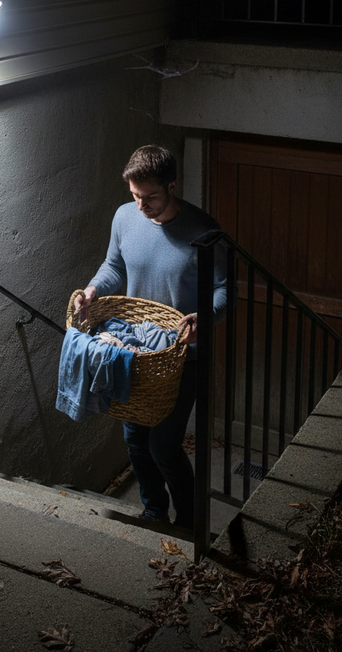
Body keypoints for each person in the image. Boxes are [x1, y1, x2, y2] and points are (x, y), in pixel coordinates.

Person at [74, 145, 228, 530]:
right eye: (135, 196)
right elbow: (113, 266)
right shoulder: (125, 218)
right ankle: (154, 510)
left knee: (163, 446)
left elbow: (225, 288)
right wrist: (94, 289)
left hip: (181, 358)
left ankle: (190, 522)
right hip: (136, 352)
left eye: (150, 196)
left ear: (172, 185)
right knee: (136, 441)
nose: (141, 205)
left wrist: (204, 316)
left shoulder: (205, 232)